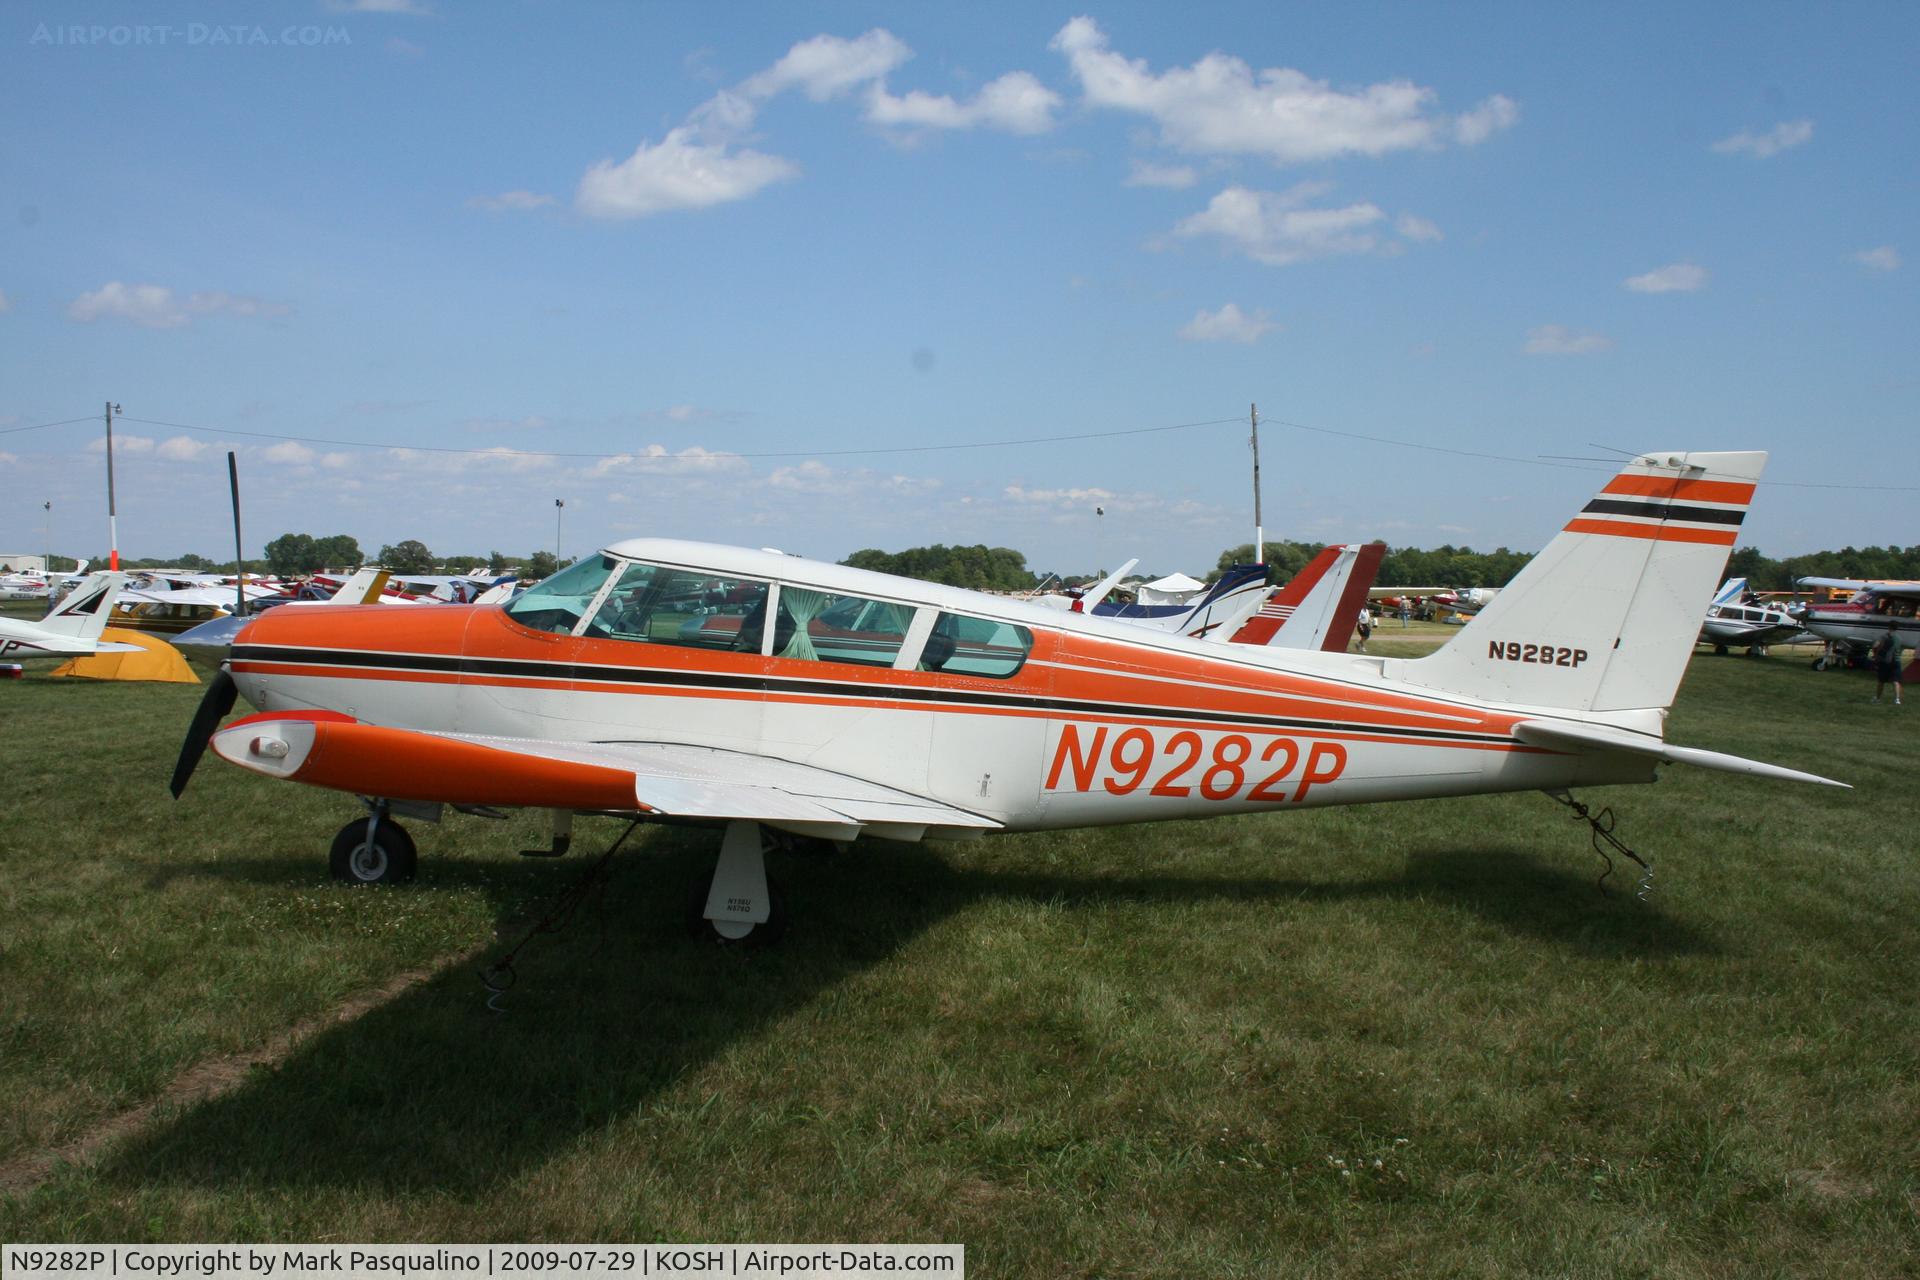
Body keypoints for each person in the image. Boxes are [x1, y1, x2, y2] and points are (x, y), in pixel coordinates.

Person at [1871, 630, 1905, 706]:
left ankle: (1877, 698)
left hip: (1885, 662)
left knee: (1881, 681)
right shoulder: (1899, 638)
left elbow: (1875, 646)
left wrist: (1876, 656)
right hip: (1896, 661)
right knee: (1895, 681)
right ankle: (1897, 700)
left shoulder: (1884, 636)